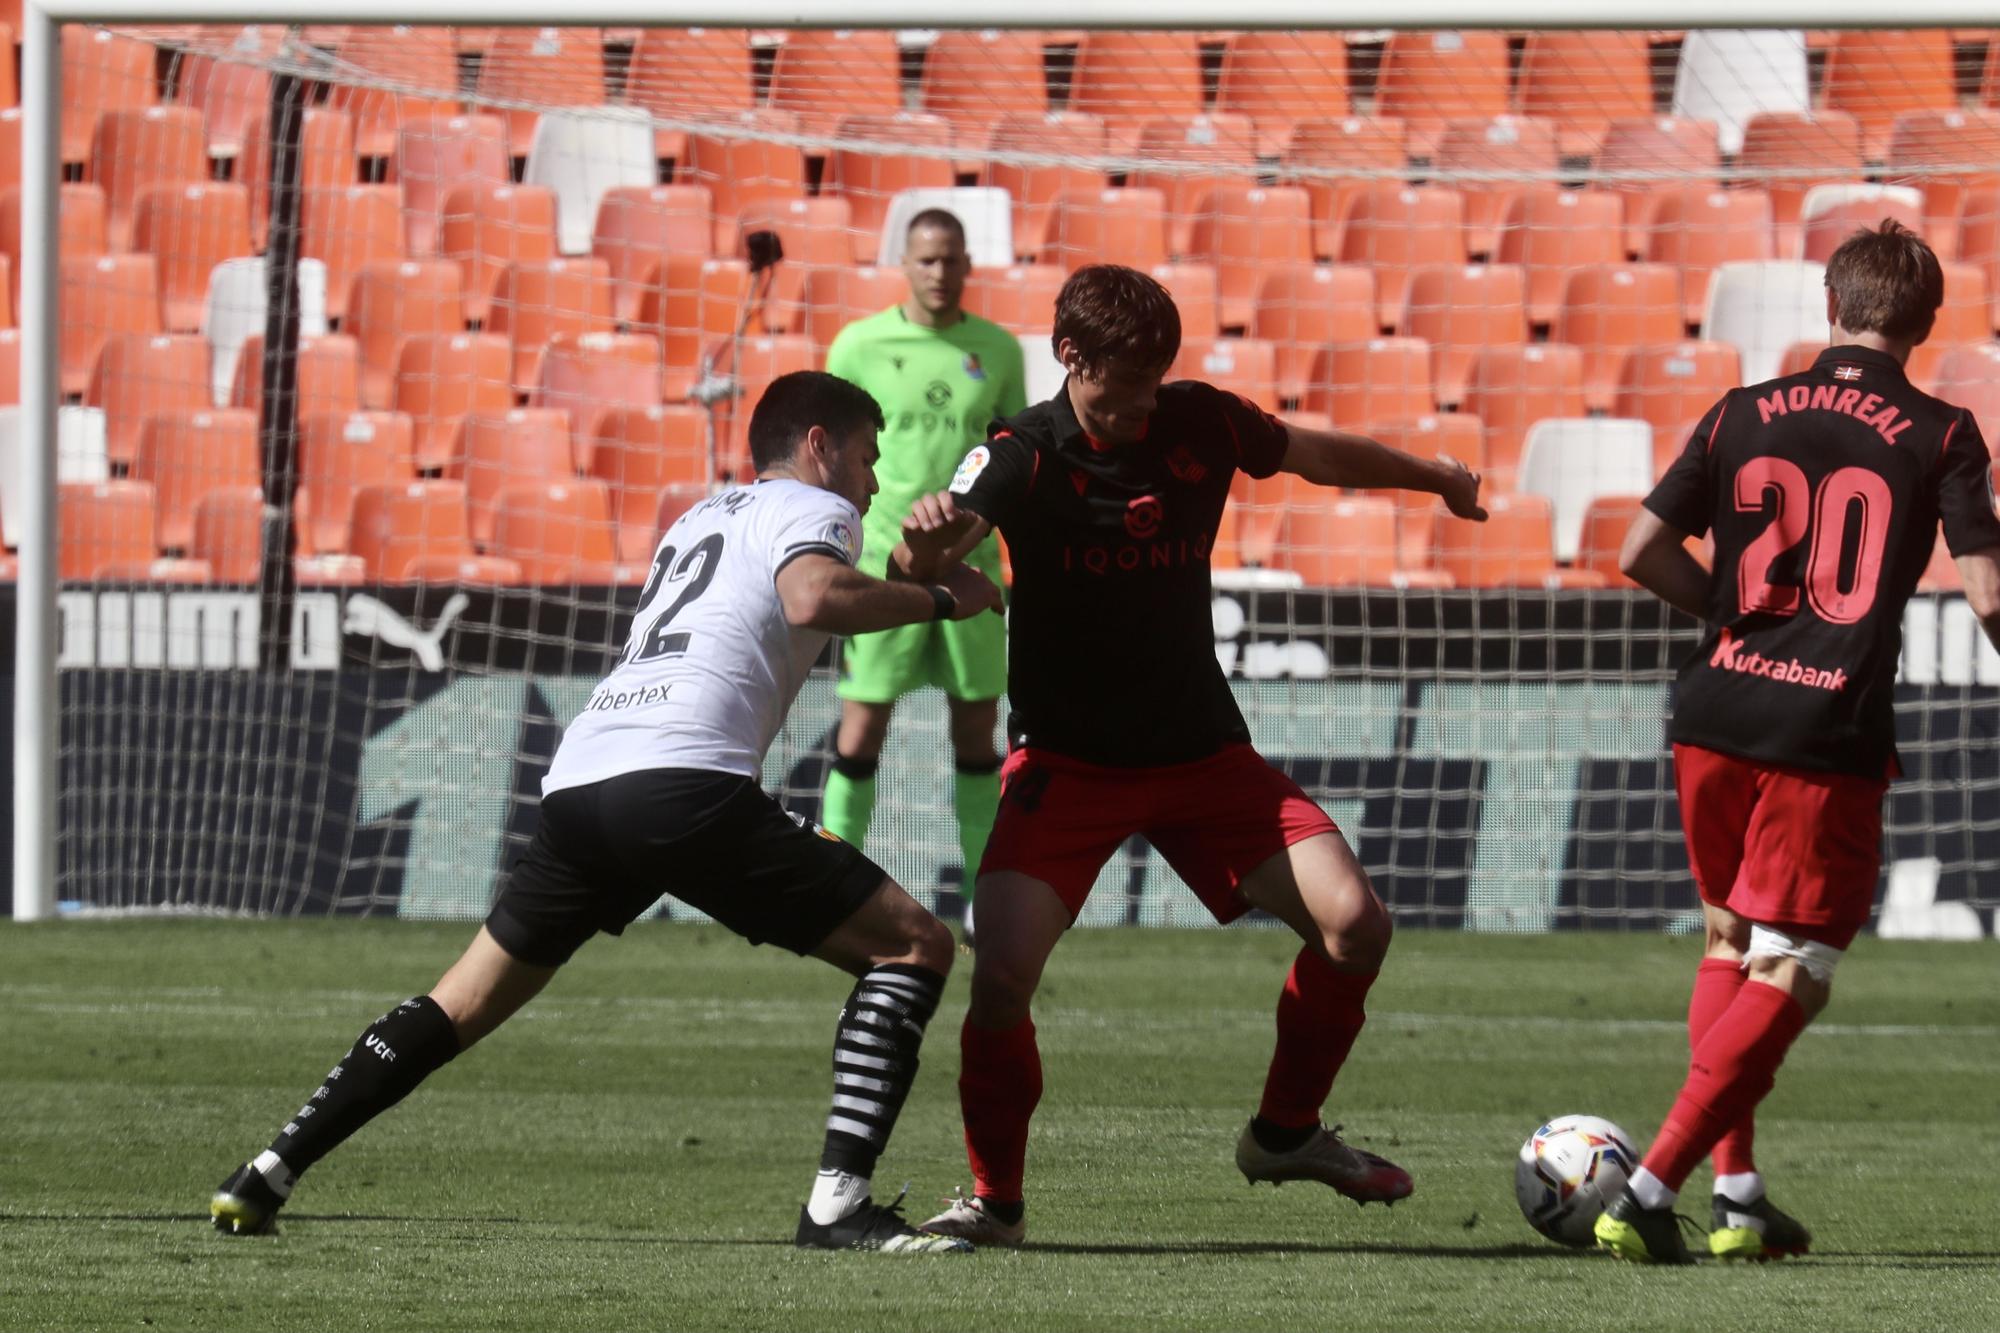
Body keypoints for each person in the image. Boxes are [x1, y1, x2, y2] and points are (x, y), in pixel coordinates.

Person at [209, 371, 1003, 1255]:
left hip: (584, 780)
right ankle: (837, 1207)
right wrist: (941, 599)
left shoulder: (697, 520)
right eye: (866, 456)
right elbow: (812, 596)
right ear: (817, 445)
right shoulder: (812, 509)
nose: (874, 479)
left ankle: (267, 1170)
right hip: (684, 781)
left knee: (458, 1002)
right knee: (914, 945)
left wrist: (924, 563)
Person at [883, 264, 1487, 1247]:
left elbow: (1307, 454)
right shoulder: (1018, 456)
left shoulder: (1198, 422)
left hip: (1202, 755)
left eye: (1154, 384)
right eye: (1124, 391)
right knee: (998, 977)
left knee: (1354, 927)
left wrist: (1432, 476)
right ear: (1069, 357)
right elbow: (921, 559)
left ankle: (1284, 1132)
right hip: (1067, 766)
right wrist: (920, 547)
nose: (1139, 410)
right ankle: (994, 1203)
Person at [1598, 220, 2000, 1265]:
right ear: (1921, 322)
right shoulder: (1941, 430)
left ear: (1830, 304)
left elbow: (1636, 548)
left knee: (1728, 941)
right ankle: (1649, 1185)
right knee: (1800, 963)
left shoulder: (1741, 409)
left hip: (1712, 709)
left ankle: (1736, 1196)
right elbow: (1987, 592)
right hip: (1824, 723)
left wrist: (1729, 624)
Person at [821, 209, 1027, 921]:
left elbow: (1015, 456)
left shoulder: (997, 349)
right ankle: (831, 888)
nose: (940, 273)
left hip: (973, 567)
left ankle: (982, 897)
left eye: (951, 260)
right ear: (904, 264)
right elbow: (826, 459)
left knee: (976, 732)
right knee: (860, 728)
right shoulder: (859, 345)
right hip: (883, 565)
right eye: (927, 260)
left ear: (968, 264)